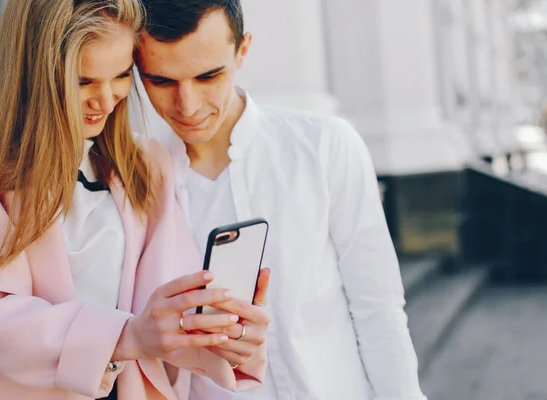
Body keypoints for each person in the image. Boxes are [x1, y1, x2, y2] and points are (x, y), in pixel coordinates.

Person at [0, 0, 270, 399]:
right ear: (33, 69)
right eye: (83, 82)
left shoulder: (144, 165)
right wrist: (124, 336)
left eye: (120, 76)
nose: (106, 100)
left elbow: (168, 307)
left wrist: (224, 336)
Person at [132, 0, 428, 399]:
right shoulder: (138, 180)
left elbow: (379, 309)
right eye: (162, 81)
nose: (188, 105)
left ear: (243, 50)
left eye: (208, 76)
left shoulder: (325, 146)